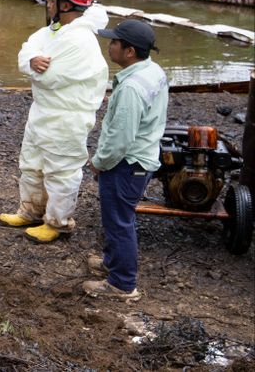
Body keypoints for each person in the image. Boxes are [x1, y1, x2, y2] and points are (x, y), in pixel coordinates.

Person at [0, 0, 109, 243]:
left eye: (53, 0)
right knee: (32, 163)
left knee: (61, 170)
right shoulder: (52, 31)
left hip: (67, 117)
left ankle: (58, 222)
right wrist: (32, 60)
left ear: (67, 6)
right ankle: (31, 211)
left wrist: (33, 67)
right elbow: (26, 51)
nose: (48, 4)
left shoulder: (81, 41)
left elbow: (49, 77)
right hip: (43, 112)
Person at [82, 19, 167, 302]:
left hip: (127, 164)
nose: (109, 46)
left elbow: (121, 138)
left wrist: (99, 161)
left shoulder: (131, 87)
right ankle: (111, 263)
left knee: (119, 221)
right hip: (143, 159)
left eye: (114, 42)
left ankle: (122, 284)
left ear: (129, 51)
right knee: (117, 218)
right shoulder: (152, 71)